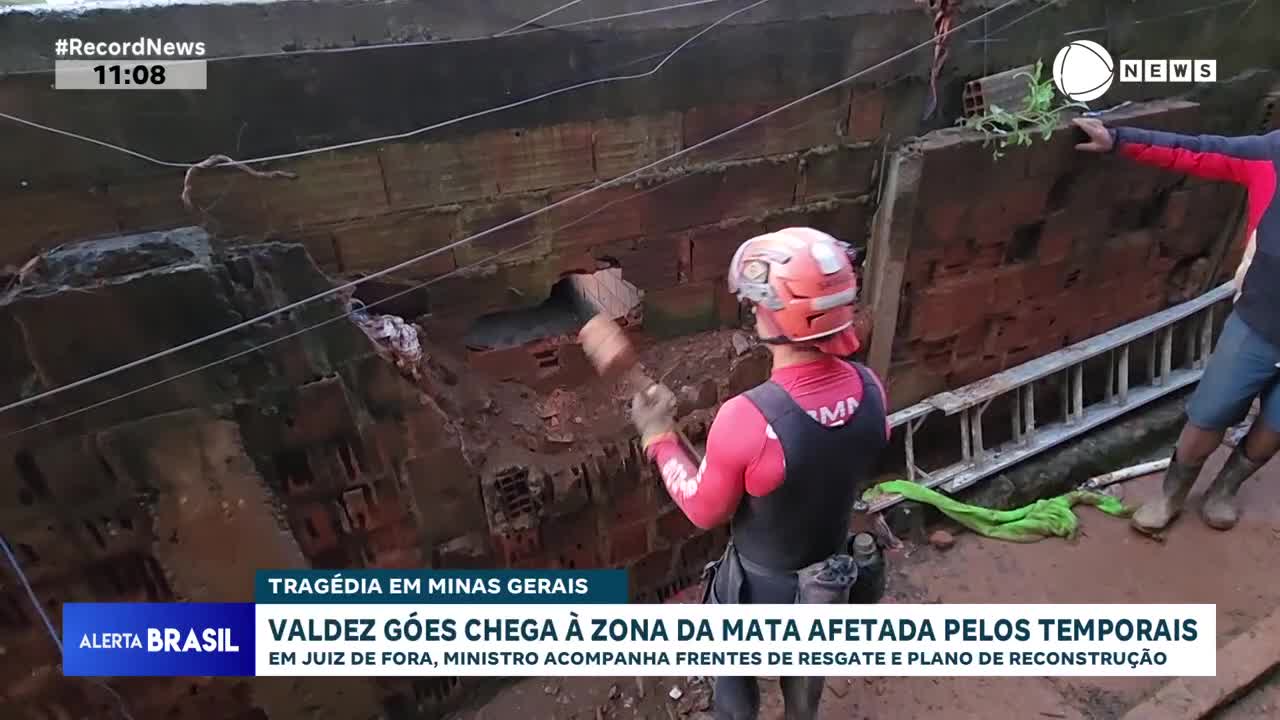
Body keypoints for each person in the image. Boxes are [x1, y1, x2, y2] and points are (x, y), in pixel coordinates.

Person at [627, 227, 891, 720]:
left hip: (759, 592)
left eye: (757, 304)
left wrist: (659, 437)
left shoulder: (749, 418)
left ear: (776, 314)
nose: (752, 310)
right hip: (829, 578)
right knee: (805, 680)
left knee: (734, 681)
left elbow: (704, 509)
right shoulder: (872, 389)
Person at [1073, 117, 1280, 533]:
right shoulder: (1273, 155)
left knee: (1275, 426)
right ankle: (1171, 494)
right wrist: (1119, 139)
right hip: (1259, 322)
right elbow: (1200, 148)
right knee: (1210, 412)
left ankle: (1225, 488)